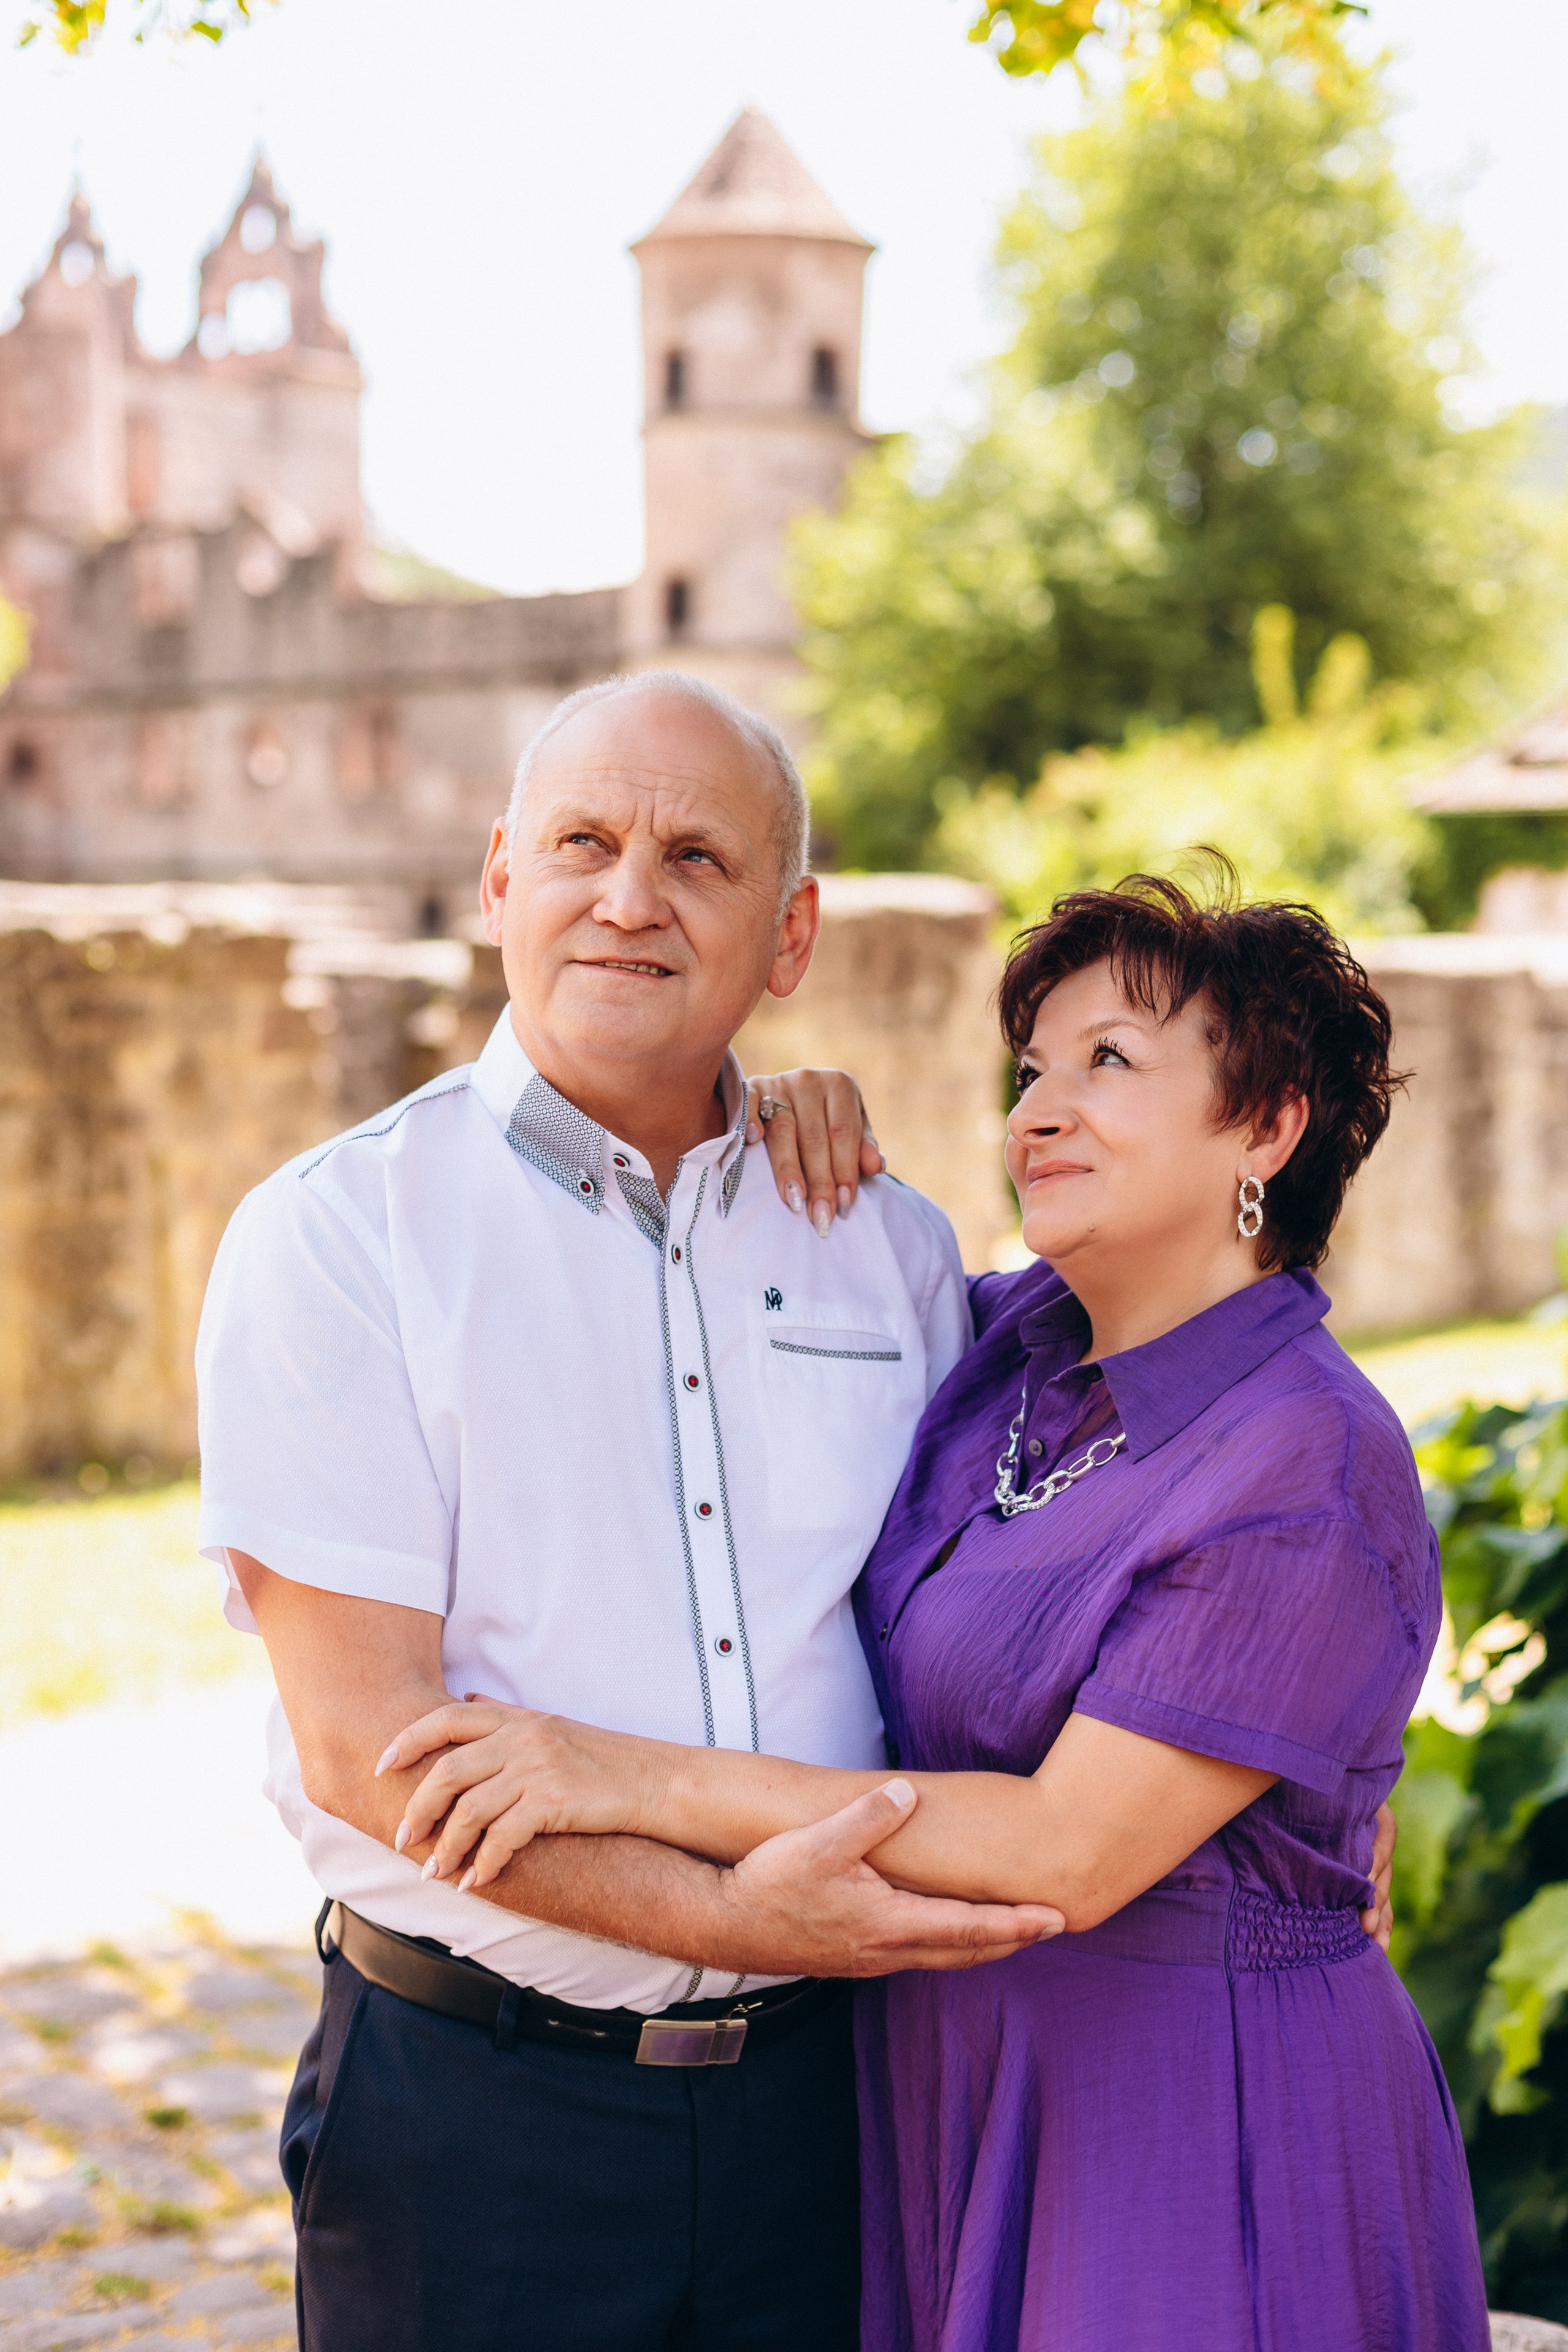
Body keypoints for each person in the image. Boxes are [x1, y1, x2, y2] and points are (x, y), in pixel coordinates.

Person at [381, 872, 1483, 2352]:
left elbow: (1062, 1849)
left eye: (1108, 1062)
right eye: (1032, 1067)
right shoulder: (1006, 1346)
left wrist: (614, 1771)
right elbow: (763, 1303)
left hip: (1190, 2114)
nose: (1037, 1108)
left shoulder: (1307, 1456)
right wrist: (758, 1108)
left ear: (1268, 1127)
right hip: (951, 2087)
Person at [193, 670, 1063, 2352]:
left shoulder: (886, 1250)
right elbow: (369, 1747)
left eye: (697, 858)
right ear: (502, 880)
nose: (631, 896)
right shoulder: (342, 1239)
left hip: (840, 2122)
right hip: (479, 2126)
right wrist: (739, 1919)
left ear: (790, 936)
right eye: (584, 842)